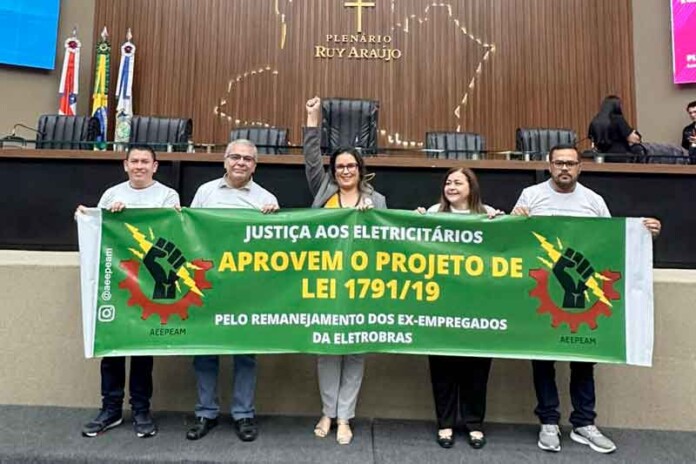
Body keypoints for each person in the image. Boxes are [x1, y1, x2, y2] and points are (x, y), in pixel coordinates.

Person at [512, 144, 661, 454]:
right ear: (549, 166)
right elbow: (514, 240)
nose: (564, 168)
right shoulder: (531, 195)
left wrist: (643, 232)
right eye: (559, 163)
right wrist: (515, 219)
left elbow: (611, 242)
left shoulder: (594, 201)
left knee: (583, 360)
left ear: (580, 167)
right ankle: (548, 422)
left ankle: (584, 423)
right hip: (542, 292)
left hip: (582, 294)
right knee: (542, 360)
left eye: (570, 163)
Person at [76, 144, 181, 438]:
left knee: (142, 351)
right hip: (116, 282)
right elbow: (97, 228)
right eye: (134, 161)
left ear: (155, 166)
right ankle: (110, 410)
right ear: (125, 165)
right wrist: (87, 215)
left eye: (145, 161)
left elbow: (172, 231)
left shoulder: (168, 196)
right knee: (112, 350)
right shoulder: (112, 194)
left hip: (150, 283)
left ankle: (141, 410)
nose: (139, 166)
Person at [304, 96, 387, 445]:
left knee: (354, 353)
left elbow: (386, 244)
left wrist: (373, 219)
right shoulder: (323, 191)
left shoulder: (377, 201)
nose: (345, 171)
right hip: (326, 283)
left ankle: (344, 417)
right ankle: (327, 411)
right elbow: (311, 159)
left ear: (360, 169)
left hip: (361, 287)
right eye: (340, 166)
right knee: (327, 351)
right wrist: (313, 120)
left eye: (351, 165)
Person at [185, 139, 279, 442]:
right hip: (209, 284)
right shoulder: (205, 192)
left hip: (246, 289)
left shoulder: (266, 198)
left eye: (247, 159)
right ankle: (206, 413)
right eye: (235, 157)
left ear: (255, 165)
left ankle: (244, 414)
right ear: (224, 161)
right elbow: (189, 233)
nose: (241, 162)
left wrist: (274, 220)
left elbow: (274, 248)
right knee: (204, 351)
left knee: (245, 353)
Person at [416, 167, 501, 450]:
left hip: (478, 308)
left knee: (476, 368)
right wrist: (415, 221)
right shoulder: (433, 213)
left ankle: (474, 424)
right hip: (441, 305)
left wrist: (504, 222)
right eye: (448, 182)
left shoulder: (488, 214)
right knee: (443, 369)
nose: (451, 187)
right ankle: (446, 424)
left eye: (458, 182)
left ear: (471, 187)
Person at [588, 95, 642, 161]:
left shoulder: (595, 121)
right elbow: (633, 139)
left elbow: (592, 140)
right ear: (616, 106)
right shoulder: (618, 119)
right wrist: (636, 135)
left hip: (603, 158)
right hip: (621, 156)